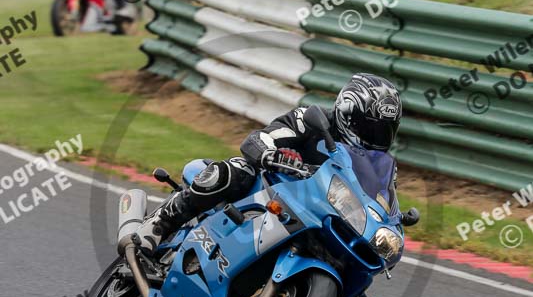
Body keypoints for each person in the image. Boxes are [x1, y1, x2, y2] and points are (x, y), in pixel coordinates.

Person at [136, 73, 418, 253]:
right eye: (370, 128)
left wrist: (393, 218)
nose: (375, 136)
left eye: (384, 130)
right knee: (236, 171)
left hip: (316, 216)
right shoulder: (313, 120)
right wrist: (270, 154)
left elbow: (379, 195)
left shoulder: (380, 164)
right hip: (269, 191)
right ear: (348, 114)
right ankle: (160, 223)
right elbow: (260, 138)